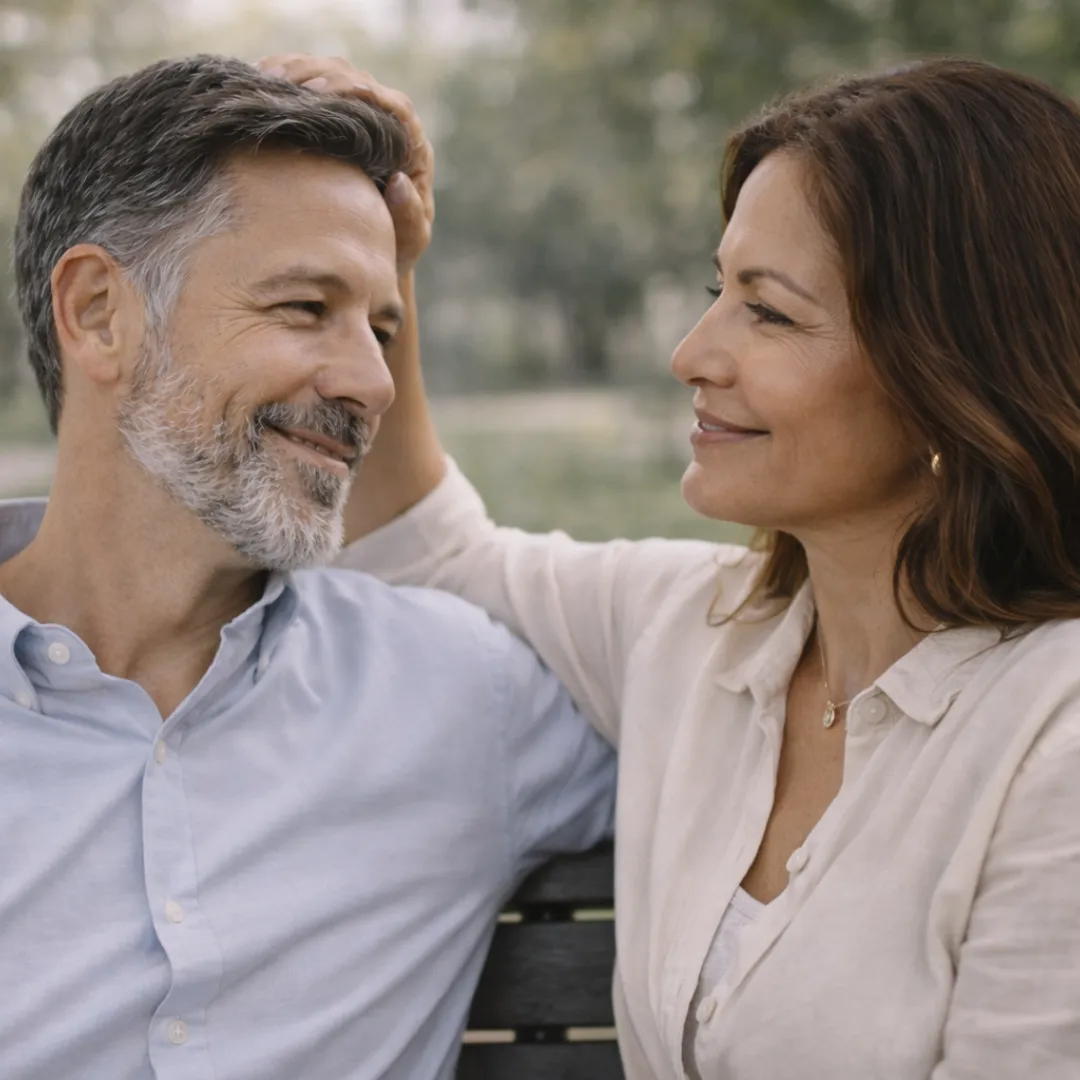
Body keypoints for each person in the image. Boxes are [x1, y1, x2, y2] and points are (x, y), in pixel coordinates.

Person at [323, 53, 1080, 1078]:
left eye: (768, 312)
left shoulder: (1053, 734)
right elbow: (426, 551)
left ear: (951, 369)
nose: (691, 351)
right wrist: (391, 267)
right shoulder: (692, 630)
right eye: (716, 290)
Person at [0, 54, 615, 1080]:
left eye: (384, 328)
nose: (372, 382)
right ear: (100, 312)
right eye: (303, 309)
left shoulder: (469, 695)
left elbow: (772, 723)